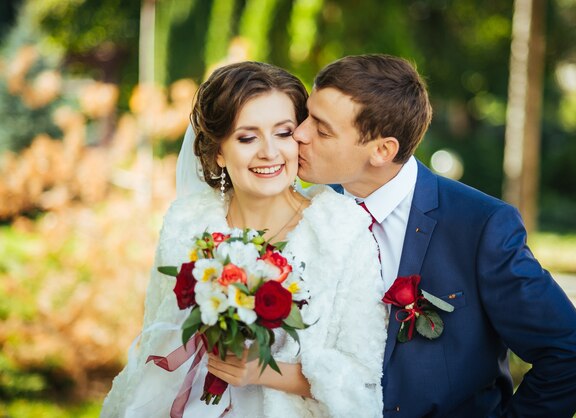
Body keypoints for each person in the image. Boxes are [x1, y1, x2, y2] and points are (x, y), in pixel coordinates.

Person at [293, 54, 576, 418]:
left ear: (382, 150)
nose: (299, 133)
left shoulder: (481, 227)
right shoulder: (310, 212)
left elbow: (571, 355)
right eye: (306, 116)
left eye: (321, 128)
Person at [101, 61, 387, 418]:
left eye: (283, 133)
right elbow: (156, 335)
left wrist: (263, 370)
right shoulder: (186, 222)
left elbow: (362, 375)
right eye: (247, 137)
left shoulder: (341, 230)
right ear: (219, 152)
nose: (269, 152)